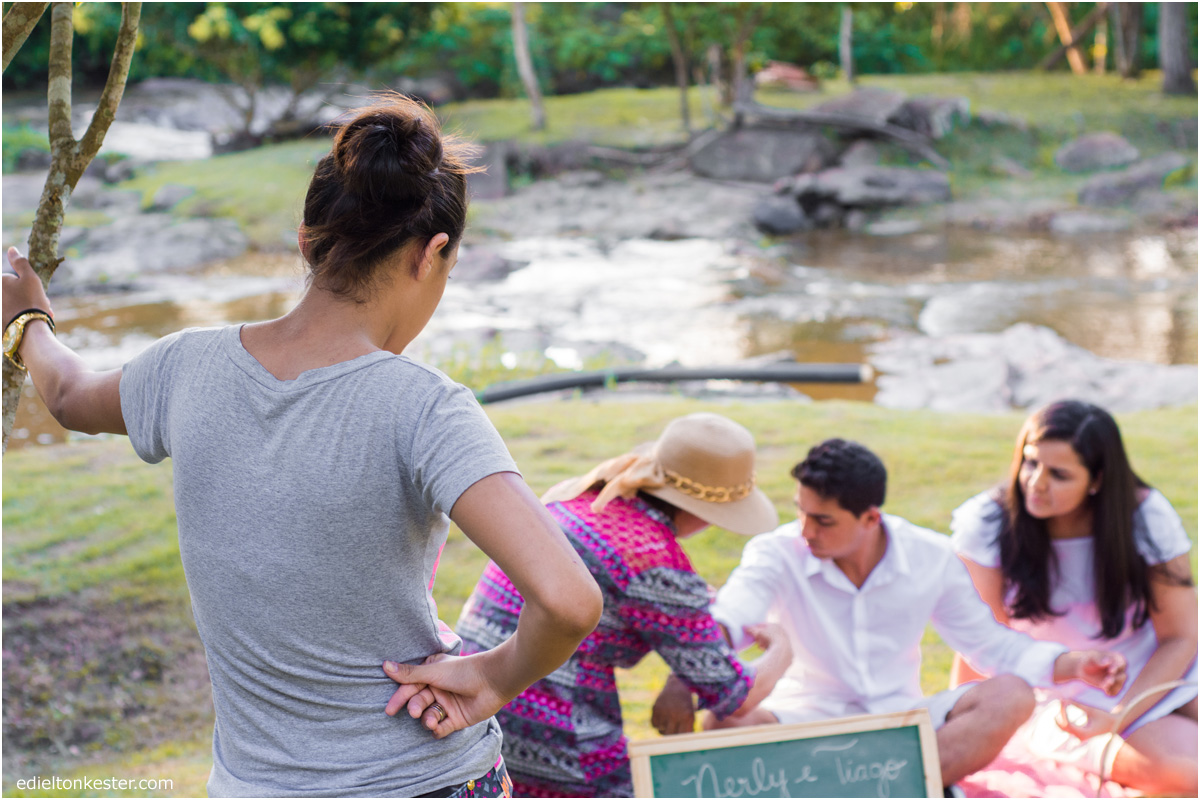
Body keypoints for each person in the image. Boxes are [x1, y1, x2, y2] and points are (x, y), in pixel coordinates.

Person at [1, 95, 603, 798]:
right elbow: (567, 600)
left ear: (305, 242)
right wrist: (492, 676)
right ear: (433, 254)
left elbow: (69, 396)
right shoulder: (425, 407)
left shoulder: (184, 367)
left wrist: (28, 323)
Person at [663, 438, 1129, 790]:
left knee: (1012, 696)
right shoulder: (775, 552)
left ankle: (872, 786)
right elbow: (731, 616)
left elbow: (988, 644)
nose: (806, 531)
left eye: (823, 521)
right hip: (800, 719)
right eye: (801, 513)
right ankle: (897, 788)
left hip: (902, 723)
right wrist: (684, 678)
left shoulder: (929, 555)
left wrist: (1071, 665)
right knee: (726, 722)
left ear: (871, 518)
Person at [455, 412, 793, 798]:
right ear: (705, 511)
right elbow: (736, 695)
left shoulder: (581, 502)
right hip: (555, 730)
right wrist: (782, 648)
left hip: (479, 709)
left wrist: (682, 674)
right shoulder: (654, 560)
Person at [950, 400, 1197, 796]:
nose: (1036, 482)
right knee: (1190, 773)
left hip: (1160, 671)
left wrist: (1121, 714)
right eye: (1031, 463)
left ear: (1097, 479)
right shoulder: (989, 523)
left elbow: (1182, 636)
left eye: (1059, 474)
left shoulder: (1144, 516)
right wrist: (963, 720)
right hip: (1062, 691)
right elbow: (980, 643)